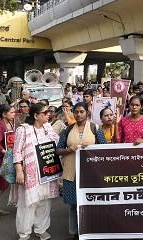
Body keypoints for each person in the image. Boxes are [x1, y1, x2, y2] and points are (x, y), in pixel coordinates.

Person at [57, 102, 107, 239]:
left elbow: (105, 149)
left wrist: (92, 148)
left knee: (90, 203)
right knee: (74, 204)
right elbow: (58, 150)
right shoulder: (67, 130)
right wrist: (68, 149)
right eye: (76, 112)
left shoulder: (95, 128)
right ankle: (75, 232)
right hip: (71, 173)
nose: (79, 115)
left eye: (81, 112)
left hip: (91, 173)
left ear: (87, 113)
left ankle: (90, 230)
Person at [13, 103, 60, 240]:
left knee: (45, 202)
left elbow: (57, 143)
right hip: (30, 174)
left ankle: (41, 229)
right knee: (27, 204)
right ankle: (24, 233)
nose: (48, 115)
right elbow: (16, 152)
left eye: (48, 112)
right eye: (45, 113)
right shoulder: (23, 130)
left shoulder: (48, 127)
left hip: (47, 172)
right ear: (35, 115)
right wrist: (19, 171)